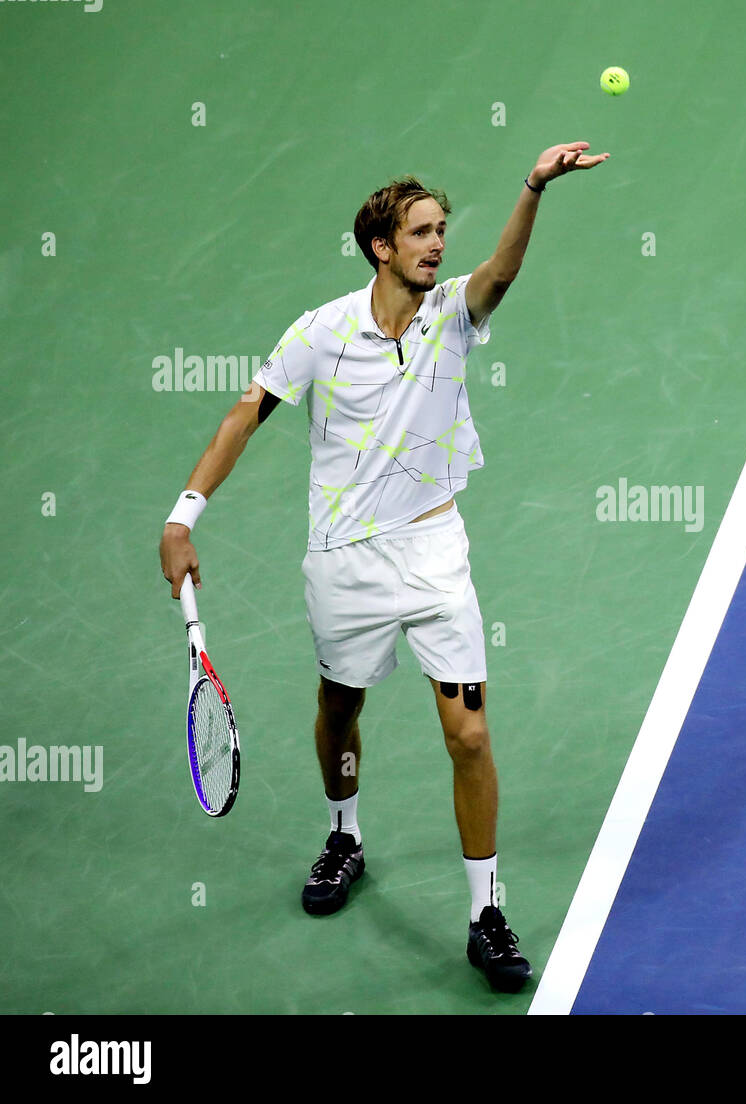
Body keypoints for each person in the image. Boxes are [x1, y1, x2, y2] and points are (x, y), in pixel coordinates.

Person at [158, 141, 609, 993]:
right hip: (344, 559)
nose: (438, 244)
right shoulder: (321, 333)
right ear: (381, 246)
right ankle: (344, 834)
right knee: (339, 707)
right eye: (422, 232)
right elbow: (246, 411)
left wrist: (534, 188)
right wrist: (184, 516)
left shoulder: (453, 316)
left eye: (442, 230)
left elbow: (501, 273)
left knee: (469, 732)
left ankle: (484, 915)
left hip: (435, 552)